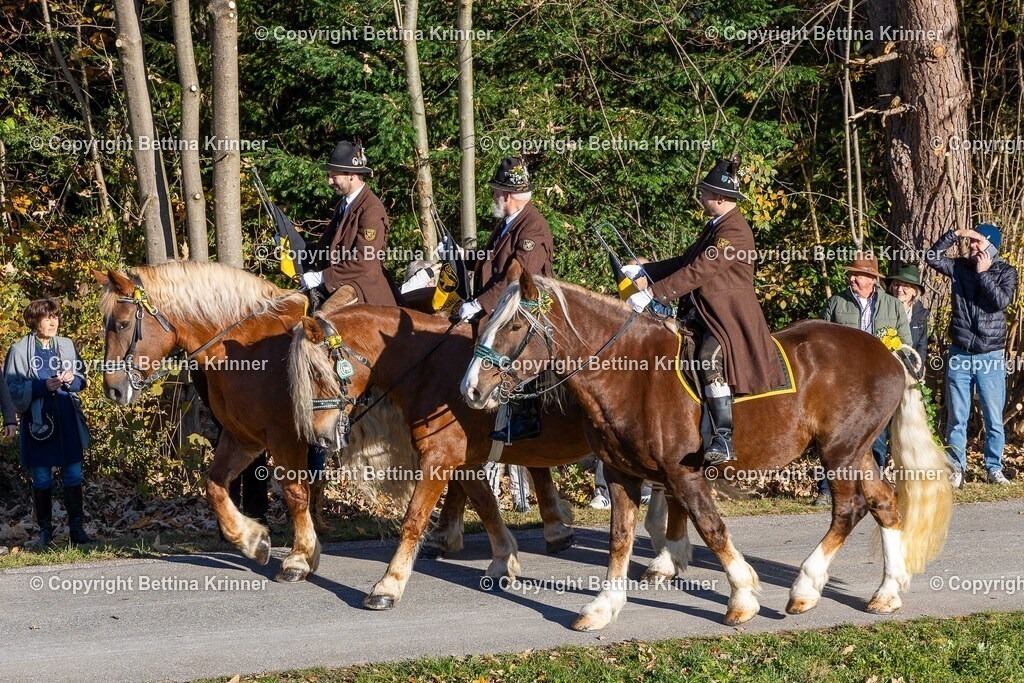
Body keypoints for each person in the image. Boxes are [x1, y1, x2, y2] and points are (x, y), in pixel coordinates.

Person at [628, 157, 785, 467]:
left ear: (720, 198)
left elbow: (700, 271)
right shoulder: (715, 227)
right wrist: (644, 269)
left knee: (707, 359)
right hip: (703, 312)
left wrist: (653, 293)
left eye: (704, 192)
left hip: (727, 316)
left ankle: (724, 438)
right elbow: (685, 262)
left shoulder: (734, 232)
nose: (700, 197)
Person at [458, 157, 555, 442]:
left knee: (516, 345)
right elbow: (493, 261)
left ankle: (526, 417)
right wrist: (460, 255)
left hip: (525, 309)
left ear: (508, 195)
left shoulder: (532, 227)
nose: (493, 195)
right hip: (502, 305)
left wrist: (480, 304)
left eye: (496, 191)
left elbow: (516, 279)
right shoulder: (510, 222)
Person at [925, 223, 1018, 488]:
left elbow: (1000, 302)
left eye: (978, 242)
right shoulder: (959, 268)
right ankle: (957, 470)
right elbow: (932, 257)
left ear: (991, 246)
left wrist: (984, 273)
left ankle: (994, 468)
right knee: (957, 417)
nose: (972, 246)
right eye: (972, 241)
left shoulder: (1006, 271)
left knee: (993, 418)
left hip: (990, 357)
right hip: (959, 355)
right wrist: (956, 235)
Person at [816, 253, 913, 505]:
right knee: (835, 437)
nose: (851, 278)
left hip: (878, 383)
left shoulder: (893, 306)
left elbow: (905, 344)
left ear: (871, 279)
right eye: (850, 274)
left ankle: (871, 488)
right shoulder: (836, 303)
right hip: (843, 382)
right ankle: (826, 490)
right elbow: (820, 342)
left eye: (856, 274)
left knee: (876, 437)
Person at [4, 298, 92, 547]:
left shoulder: (66, 345)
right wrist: (43, 386)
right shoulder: (19, 350)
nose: (53, 321)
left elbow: (82, 381)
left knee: (74, 475)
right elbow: (12, 389)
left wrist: (71, 380)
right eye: (46, 317)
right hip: (37, 423)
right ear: (34, 321)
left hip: (67, 419)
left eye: (55, 316)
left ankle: (77, 532)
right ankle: (45, 534)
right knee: (42, 478)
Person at [301, 140, 398, 306]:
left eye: (334, 176)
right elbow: (330, 247)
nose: (330, 182)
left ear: (352, 175)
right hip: (341, 281)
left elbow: (364, 260)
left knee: (326, 316)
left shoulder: (371, 209)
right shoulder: (344, 204)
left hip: (362, 287)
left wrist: (322, 277)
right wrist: (295, 246)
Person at [886, 265, 930, 371]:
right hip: (886, 366)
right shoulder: (884, 308)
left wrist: (918, 370)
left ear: (915, 291)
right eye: (896, 285)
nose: (900, 290)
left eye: (905, 286)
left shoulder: (920, 315)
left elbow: (921, 345)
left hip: (910, 366)